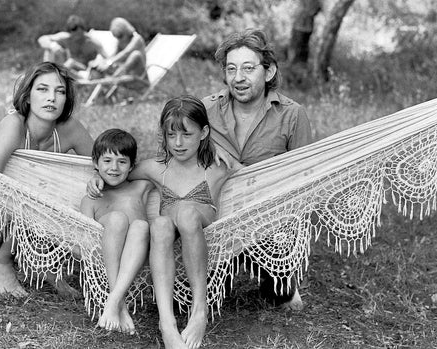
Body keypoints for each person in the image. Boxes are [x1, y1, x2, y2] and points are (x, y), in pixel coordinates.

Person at [87, 95, 232, 349]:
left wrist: (218, 147)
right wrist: (94, 178)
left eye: (187, 134)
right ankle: (167, 323)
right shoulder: (156, 167)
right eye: (171, 135)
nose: (178, 143)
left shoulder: (217, 166)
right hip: (170, 229)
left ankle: (199, 309)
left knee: (186, 214)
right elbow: (117, 171)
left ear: (204, 132)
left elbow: (256, 177)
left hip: (199, 223)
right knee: (161, 224)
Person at [203, 28, 312, 310]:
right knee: (205, 297)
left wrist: (240, 169)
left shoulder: (291, 115)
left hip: (270, 219)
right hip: (216, 219)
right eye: (231, 69)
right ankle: (220, 268)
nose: (238, 78)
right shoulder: (205, 110)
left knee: (284, 302)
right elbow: (172, 154)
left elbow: (305, 180)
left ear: (269, 71)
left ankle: (277, 276)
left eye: (248, 68)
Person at [0, 61, 95, 299]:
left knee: (74, 191)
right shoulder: (13, 126)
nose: (51, 98)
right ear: (28, 95)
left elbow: (101, 166)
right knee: (45, 191)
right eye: (42, 89)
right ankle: (2, 260)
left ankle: (41, 264)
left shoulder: (69, 128)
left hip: (36, 214)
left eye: (60, 91)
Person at [77, 129, 154, 335]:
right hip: (106, 257)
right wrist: (95, 176)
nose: (114, 168)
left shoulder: (142, 186)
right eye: (107, 161)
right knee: (117, 219)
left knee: (141, 226)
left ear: (132, 166)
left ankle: (112, 302)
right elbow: (86, 240)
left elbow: (165, 166)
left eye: (122, 162)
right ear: (95, 163)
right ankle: (118, 302)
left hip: (138, 255)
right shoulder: (91, 200)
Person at [37, 15, 108, 76]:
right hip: (68, 69)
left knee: (71, 62)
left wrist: (101, 62)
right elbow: (42, 39)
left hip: (85, 71)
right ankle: (50, 73)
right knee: (50, 49)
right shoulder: (66, 38)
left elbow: (108, 58)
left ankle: (55, 75)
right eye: (75, 36)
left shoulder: (91, 42)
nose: (78, 38)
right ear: (70, 33)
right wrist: (52, 45)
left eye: (80, 34)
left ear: (83, 30)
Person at [94, 17, 149, 89]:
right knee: (101, 60)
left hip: (139, 74)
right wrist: (103, 62)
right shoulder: (120, 42)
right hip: (125, 72)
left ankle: (113, 78)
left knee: (135, 55)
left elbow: (126, 52)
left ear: (125, 31)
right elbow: (114, 56)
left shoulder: (136, 39)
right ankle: (100, 79)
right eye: (116, 37)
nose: (119, 39)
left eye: (120, 36)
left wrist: (109, 62)